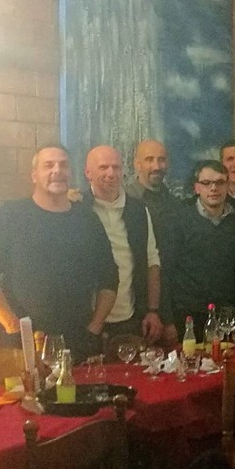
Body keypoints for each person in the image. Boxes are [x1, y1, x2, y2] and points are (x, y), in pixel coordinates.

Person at [0, 145, 118, 360]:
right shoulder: (10, 216)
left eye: (64, 165)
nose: (57, 170)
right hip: (23, 344)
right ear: (34, 175)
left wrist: (94, 328)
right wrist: (13, 327)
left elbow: (109, 278)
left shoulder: (88, 219)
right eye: (48, 165)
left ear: (71, 173)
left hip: (79, 343)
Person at [83, 145, 164, 342]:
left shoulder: (138, 210)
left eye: (116, 167)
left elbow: (152, 261)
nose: (111, 173)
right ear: (88, 173)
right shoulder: (78, 208)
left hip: (129, 317)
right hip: (86, 318)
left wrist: (152, 311)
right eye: (103, 167)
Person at [165, 161, 235, 341]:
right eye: (207, 183)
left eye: (220, 182)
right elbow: (166, 270)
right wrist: (167, 319)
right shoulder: (178, 220)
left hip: (227, 314)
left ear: (228, 186)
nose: (213, 188)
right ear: (197, 188)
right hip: (188, 314)